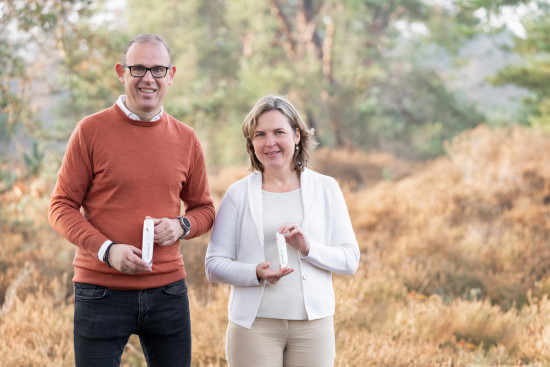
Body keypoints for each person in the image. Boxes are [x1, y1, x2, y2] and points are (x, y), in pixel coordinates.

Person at [48, 33, 215, 367]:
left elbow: (205, 210)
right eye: (138, 69)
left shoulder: (187, 139)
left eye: (157, 69)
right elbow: (61, 206)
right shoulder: (90, 131)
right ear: (121, 72)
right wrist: (108, 251)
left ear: (171, 75)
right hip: (100, 292)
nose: (148, 79)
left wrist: (182, 225)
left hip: (168, 292)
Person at [205, 94, 360, 367]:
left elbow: (350, 260)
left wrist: (308, 247)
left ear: (297, 135)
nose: (270, 142)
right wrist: (255, 272)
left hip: (313, 328)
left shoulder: (326, 189)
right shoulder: (238, 194)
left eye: (279, 132)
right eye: (260, 135)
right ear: (251, 143)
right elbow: (213, 265)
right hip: (253, 327)